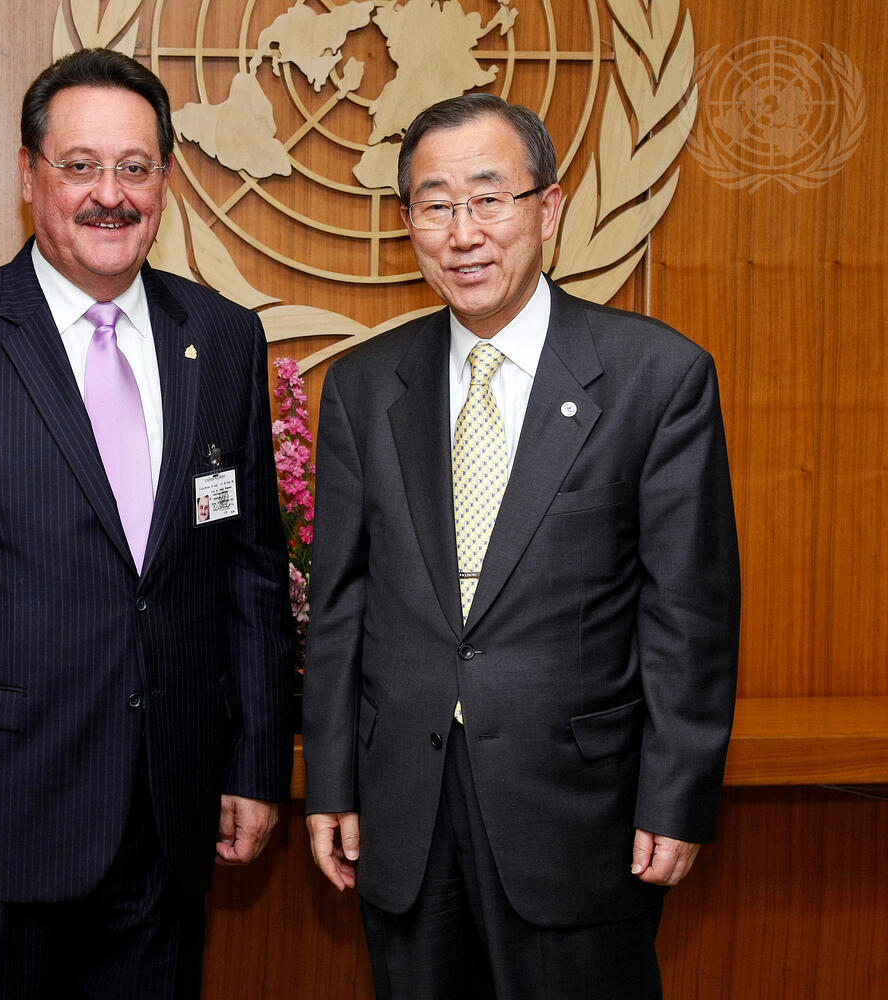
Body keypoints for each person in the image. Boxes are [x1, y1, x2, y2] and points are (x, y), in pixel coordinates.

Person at [0, 47, 294, 999]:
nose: (110, 195)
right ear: (28, 174)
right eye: (80, 166)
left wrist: (254, 763)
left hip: (166, 824)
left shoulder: (222, 337)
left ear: (165, 180)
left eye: (135, 168)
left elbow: (250, 572)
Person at [303, 93, 740, 999]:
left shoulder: (658, 378)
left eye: (489, 198)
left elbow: (688, 615)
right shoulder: (363, 388)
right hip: (406, 806)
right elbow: (342, 607)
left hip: (580, 812)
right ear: (409, 223)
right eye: (435, 204)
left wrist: (677, 796)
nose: (462, 233)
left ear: (548, 208)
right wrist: (331, 783)